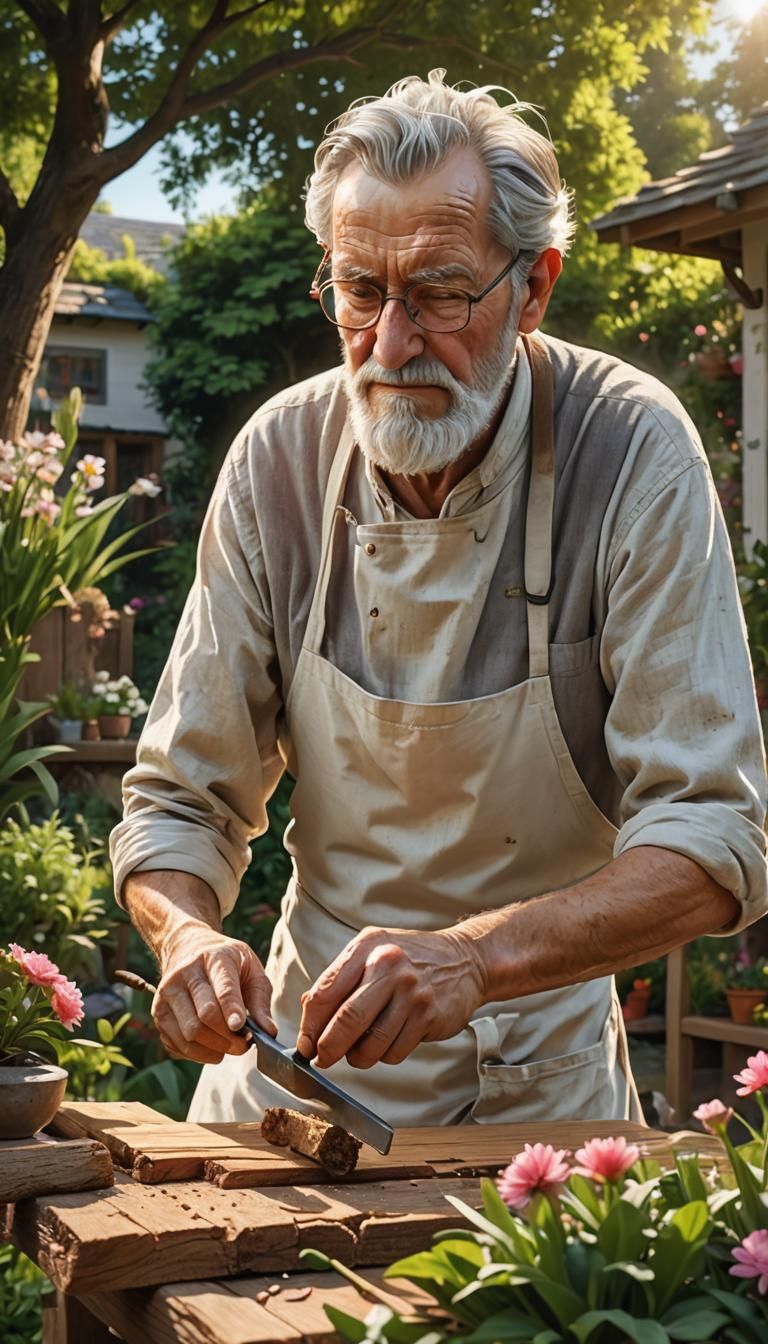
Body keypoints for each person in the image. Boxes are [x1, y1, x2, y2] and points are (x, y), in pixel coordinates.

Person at [111, 70, 768, 1127]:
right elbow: (182, 803)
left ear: (535, 286)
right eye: (361, 292)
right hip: (287, 1086)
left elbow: (713, 838)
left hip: (535, 1113)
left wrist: (470, 959)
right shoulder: (279, 458)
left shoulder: (629, 448)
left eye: (442, 294)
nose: (392, 345)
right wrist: (185, 935)